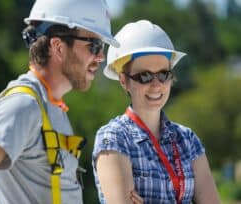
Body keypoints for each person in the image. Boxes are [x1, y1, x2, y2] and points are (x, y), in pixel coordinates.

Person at [0, 0, 121, 204]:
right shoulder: (24, 105)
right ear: (58, 47)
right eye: (94, 46)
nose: (100, 57)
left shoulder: (50, 107)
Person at [92, 20, 220, 204]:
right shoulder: (113, 138)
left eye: (163, 74)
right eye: (144, 76)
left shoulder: (188, 139)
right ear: (123, 81)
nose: (156, 85)